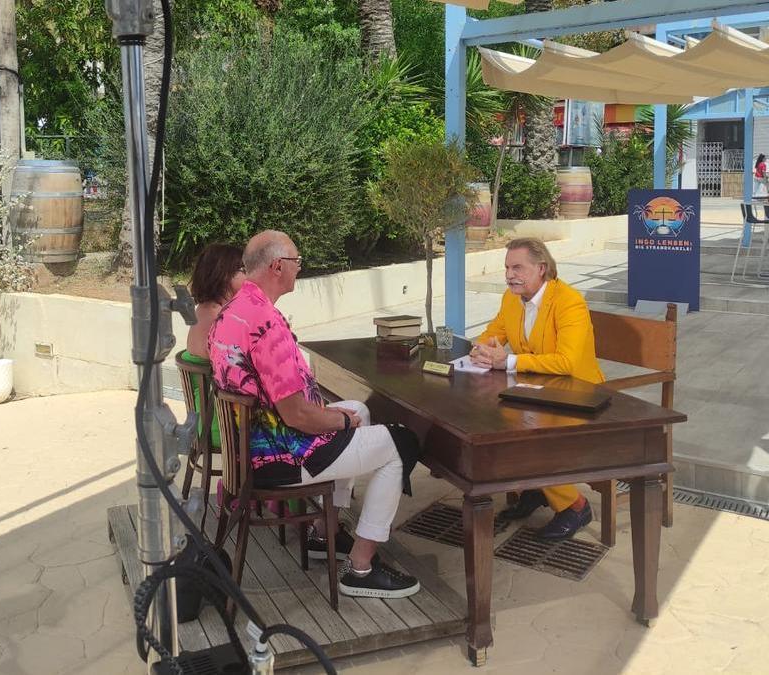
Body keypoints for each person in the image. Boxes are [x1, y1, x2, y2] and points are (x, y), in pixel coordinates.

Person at [208, 230, 421, 599]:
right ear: (277, 266)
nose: (299, 268)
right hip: (284, 455)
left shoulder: (232, 313)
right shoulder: (265, 325)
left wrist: (343, 416)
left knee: (360, 409)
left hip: (251, 448)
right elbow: (298, 416)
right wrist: (338, 422)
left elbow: (286, 405)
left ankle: (326, 534)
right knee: (401, 442)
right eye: (296, 261)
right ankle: (361, 567)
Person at [469, 238, 603, 539]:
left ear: (541, 268)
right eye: (506, 268)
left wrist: (510, 361)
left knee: (523, 431)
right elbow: (494, 333)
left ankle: (575, 506)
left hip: (577, 395)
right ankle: (535, 489)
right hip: (535, 390)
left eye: (518, 267)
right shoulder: (511, 298)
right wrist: (481, 349)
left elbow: (567, 362)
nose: (509, 275)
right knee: (490, 418)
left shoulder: (568, 301)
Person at [180, 243, 246, 448]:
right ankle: (244, 480)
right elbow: (240, 373)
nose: (249, 276)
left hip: (207, 422)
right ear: (225, 275)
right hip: (223, 426)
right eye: (243, 270)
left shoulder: (204, 311)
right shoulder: (218, 321)